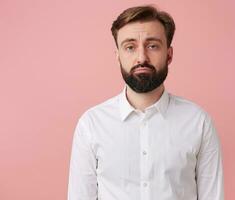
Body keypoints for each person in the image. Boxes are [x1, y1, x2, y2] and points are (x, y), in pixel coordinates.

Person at [68, 5, 224, 200]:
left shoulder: (199, 123)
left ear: (169, 54)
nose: (141, 57)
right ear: (118, 57)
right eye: (130, 47)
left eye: (152, 46)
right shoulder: (91, 124)